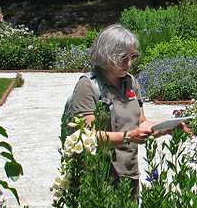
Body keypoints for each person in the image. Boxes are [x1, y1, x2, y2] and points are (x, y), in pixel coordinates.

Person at [67, 24, 157, 192]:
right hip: (99, 178)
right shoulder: (88, 86)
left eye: (133, 57)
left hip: (129, 173)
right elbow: (87, 136)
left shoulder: (131, 82)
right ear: (107, 55)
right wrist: (128, 136)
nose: (129, 64)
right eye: (124, 58)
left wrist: (169, 127)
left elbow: (141, 122)